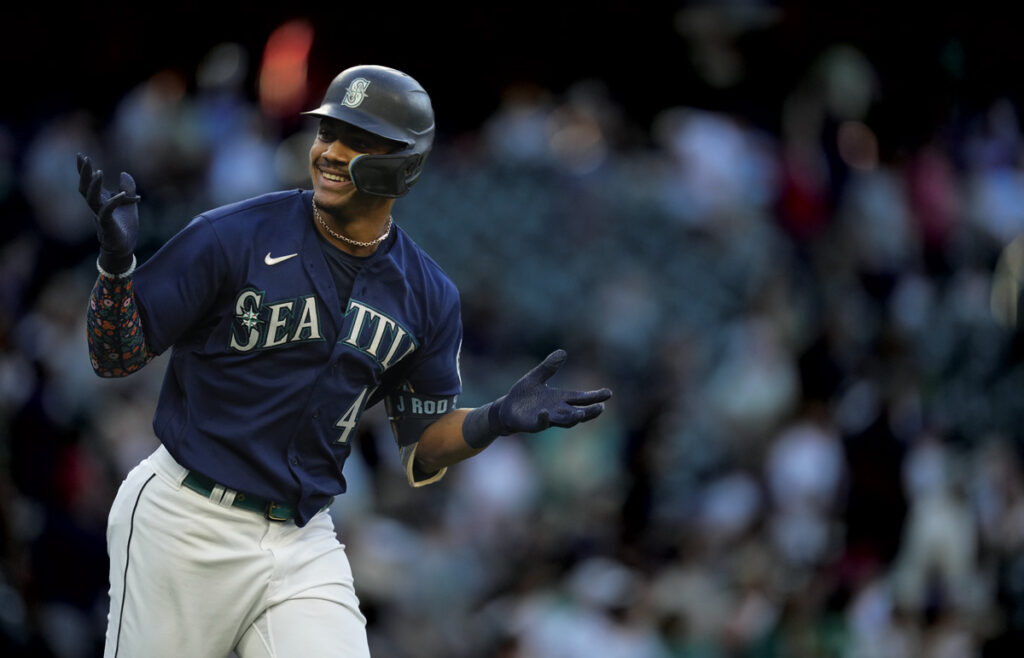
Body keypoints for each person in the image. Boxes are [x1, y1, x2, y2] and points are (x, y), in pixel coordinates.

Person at [77, 64, 612, 658]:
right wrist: (116, 270)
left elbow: (421, 447)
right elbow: (115, 354)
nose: (331, 152)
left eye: (358, 141)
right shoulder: (232, 235)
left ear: (405, 164)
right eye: (327, 133)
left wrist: (494, 419)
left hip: (304, 537)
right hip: (187, 518)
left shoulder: (428, 295)